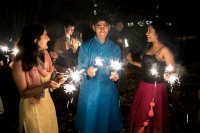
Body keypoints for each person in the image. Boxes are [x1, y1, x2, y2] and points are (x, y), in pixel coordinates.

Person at [12, 23, 65, 133]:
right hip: (31, 108)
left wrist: (58, 79)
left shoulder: (45, 55)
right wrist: (45, 85)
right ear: (35, 40)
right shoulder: (19, 62)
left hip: (47, 104)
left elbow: (51, 74)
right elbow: (24, 93)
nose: (49, 38)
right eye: (45, 35)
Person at [75, 14, 123, 133]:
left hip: (108, 92)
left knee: (106, 123)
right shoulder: (86, 46)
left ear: (109, 27)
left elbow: (119, 69)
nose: (102, 29)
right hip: (90, 92)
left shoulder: (115, 48)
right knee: (89, 123)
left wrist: (117, 76)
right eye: (99, 26)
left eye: (105, 26)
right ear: (93, 27)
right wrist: (87, 71)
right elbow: (80, 68)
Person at [127, 20, 176, 133]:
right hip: (143, 86)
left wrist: (170, 73)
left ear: (158, 33)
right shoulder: (149, 47)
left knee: (152, 118)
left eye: (150, 31)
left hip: (156, 89)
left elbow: (173, 68)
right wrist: (132, 62)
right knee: (140, 114)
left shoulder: (164, 50)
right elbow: (146, 67)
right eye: (147, 30)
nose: (146, 33)